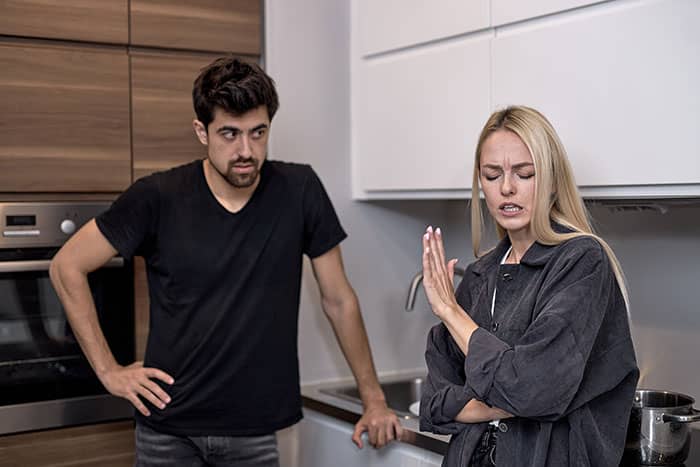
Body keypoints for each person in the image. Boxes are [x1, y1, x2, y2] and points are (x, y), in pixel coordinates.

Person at [49, 56, 401, 466]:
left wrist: (374, 400)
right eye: (229, 134)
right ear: (202, 131)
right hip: (168, 429)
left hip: (257, 430)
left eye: (258, 133)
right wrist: (108, 371)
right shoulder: (157, 197)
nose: (246, 151)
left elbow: (339, 300)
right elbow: (66, 266)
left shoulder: (300, 190)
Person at [418, 106, 639, 466]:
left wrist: (449, 311)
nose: (506, 187)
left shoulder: (582, 262)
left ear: (551, 180)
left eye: (525, 174)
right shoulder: (480, 275)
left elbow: (534, 388)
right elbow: (432, 402)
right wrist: (506, 402)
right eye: (492, 175)